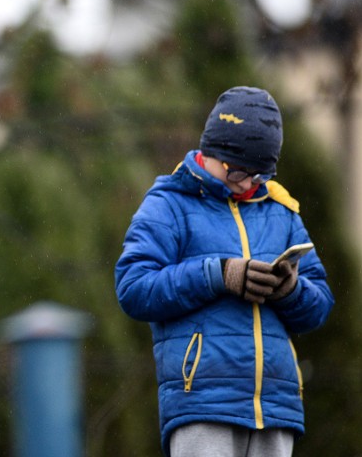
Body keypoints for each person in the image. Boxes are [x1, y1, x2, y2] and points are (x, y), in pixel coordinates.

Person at [114, 86, 334, 457]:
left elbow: (320, 305)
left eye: (259, 175)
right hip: (201, 405)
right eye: (239, 172)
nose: (248, 184)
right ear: (212, 152)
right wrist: (218, 275)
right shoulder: (167, 204)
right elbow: (133, 289)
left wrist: (290, 290)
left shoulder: (281, 210)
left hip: (276, 410)